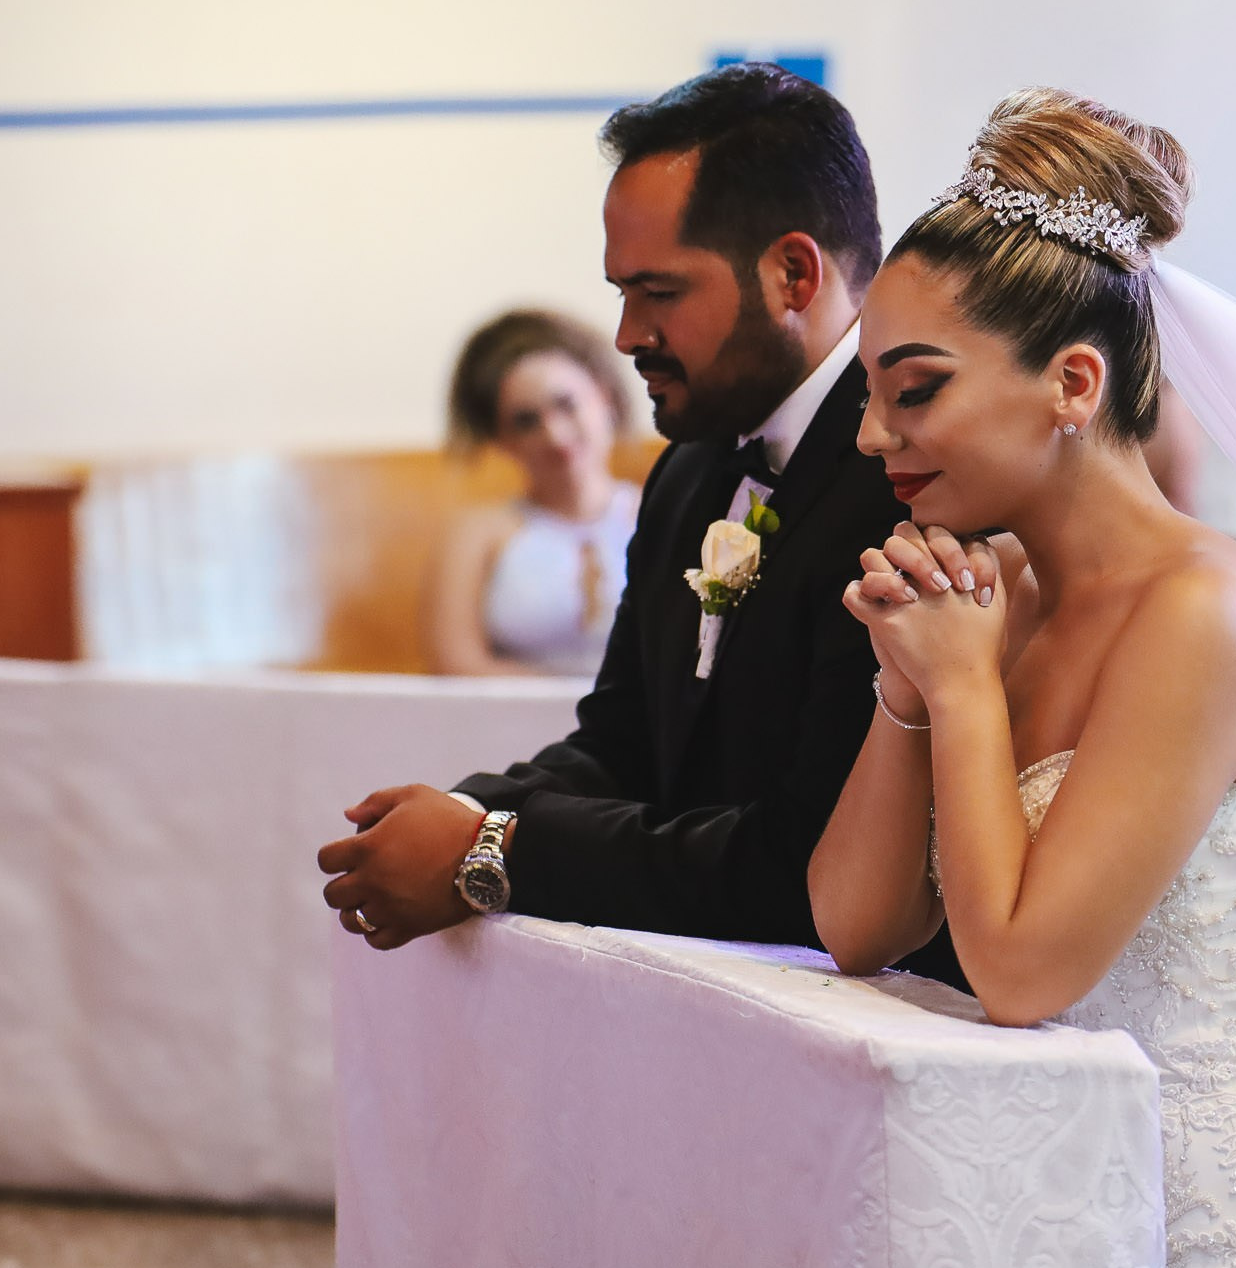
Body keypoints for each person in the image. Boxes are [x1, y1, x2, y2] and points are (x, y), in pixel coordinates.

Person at [807, 89, 1236, 1268]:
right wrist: (908, 687)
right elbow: (858, 926)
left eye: (912, 390)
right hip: (1051, 1207)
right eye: (867, 390)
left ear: (1072, 380)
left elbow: (1021, 969)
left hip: (1224, 1233)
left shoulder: (1207, 611)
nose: (872, 435)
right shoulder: (1005, 593)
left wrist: (967, 687)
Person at [317, 63, 957, 982]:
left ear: (792, 273)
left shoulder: (907, 482)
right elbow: (624, 744)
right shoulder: (689, 471)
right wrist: (459, 810)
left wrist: (493, 846)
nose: (624, 336)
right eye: (621, 292)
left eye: (658, 293)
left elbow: (800, 857)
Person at [426, 309, 639, 676]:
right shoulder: (477, 536)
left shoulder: (665, 514)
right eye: (525, 421)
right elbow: (456, 663)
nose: (554, 435)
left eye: (566, 404)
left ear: (604, 396)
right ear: (500, 439)